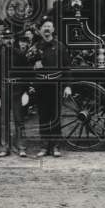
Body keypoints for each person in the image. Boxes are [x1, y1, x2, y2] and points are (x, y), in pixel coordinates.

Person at [29, 16, 72, 157]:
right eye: (44, 27)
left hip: (55, 86)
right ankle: (44, 147)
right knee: (43, 117)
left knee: (55, 117)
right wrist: (33, 67)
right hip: (41, 86)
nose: (47, 29)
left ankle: (55, 147)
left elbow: (66, 68)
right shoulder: (35, 48)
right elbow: (27, 67)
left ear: (53, 29)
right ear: (40, 31)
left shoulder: (60, 47)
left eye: (49, 26)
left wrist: (67, 86)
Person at [10, 32, 34, 157]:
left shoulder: (22, 56)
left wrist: (25, 91)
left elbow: (27, 74)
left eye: (25, 41)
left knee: (19, 118)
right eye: (21, 41)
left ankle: (20, 145)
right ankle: (3, 146)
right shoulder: (2, 53)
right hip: (5, 88)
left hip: (18, 89)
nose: (23, 44)